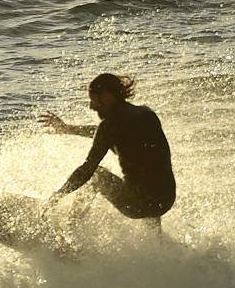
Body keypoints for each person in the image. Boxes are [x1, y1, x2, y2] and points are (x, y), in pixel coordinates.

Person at [41, 74, 175, 225]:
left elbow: (87, 168)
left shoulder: (110, 126)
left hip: (138, 206)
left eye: (93, 100)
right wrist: (69, 129)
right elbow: (103, 134)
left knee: (96, 175)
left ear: (106, 96)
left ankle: (71, 226)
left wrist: (58, 196)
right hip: (166, 200)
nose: (91, 106)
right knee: (150, 174)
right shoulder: (146, 114)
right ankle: (156, 241)